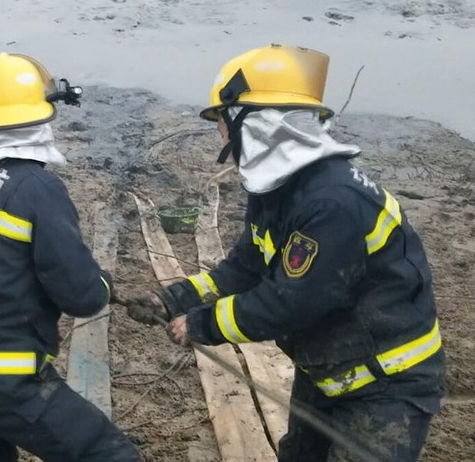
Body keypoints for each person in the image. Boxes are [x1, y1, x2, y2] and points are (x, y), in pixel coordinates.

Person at [125, 44, 445, 462]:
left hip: (386, 383)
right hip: (329, 366)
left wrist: (200, 325)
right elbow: (245, 267)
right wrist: (171, 300)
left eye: (223, 124)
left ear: (256, 125)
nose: (221, 136)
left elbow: (287, 303)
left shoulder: (333, 203)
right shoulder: (280, 189)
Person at [0, 53, 142, 462]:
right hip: (0, 377)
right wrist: (103, 283)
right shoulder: (37, 189)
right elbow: (82, 296)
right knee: (107, 453)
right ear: (41, 118)